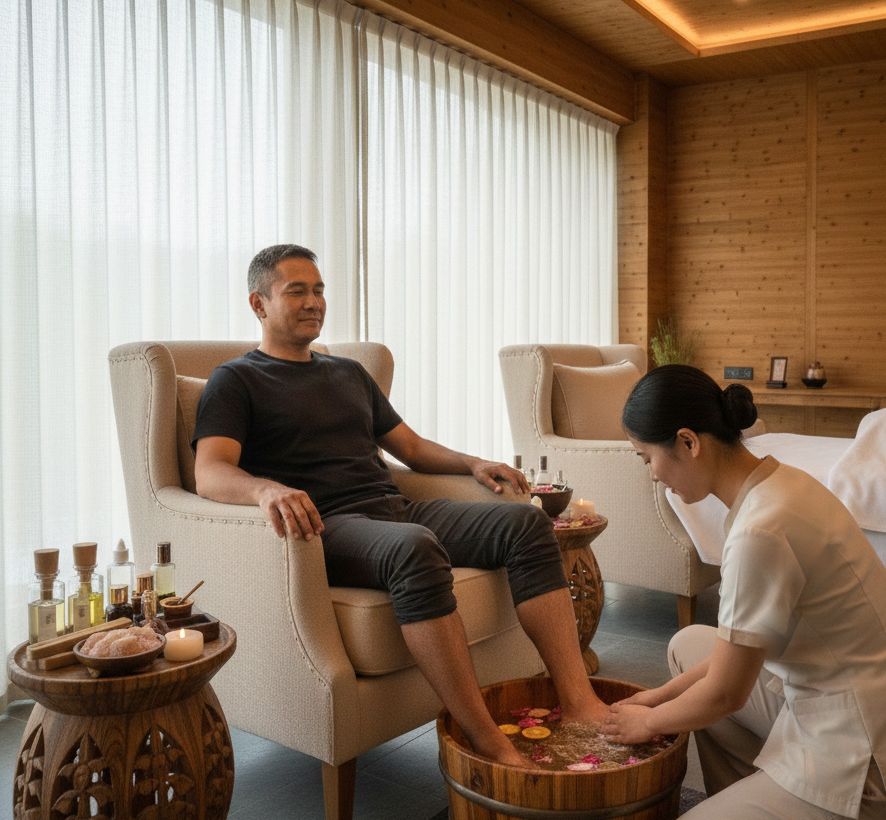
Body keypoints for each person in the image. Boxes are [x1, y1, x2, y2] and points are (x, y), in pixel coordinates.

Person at [192, 243, 609, 767]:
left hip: (392, 509)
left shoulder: (346, 373)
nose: (313, 301)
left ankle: (578, 700)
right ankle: (485, 739)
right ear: (259, 304)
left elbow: (408, 448)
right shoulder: (237, 379)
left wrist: (472, 462)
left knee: (524, 523)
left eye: (318, 290)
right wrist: (263, 489)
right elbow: (209, 471)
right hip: (325, 527)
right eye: (295, 290)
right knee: (414, 547)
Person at [600, 364, 886, 820]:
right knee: (688, 645)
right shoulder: (780, 483)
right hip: (884, 722)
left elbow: (726, 693)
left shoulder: (760, 531)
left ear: (688, 443)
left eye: (648, 458)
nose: (653, 476)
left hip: (874, 774)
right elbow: (731, 657)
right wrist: (659, 695)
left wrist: (646, 721)